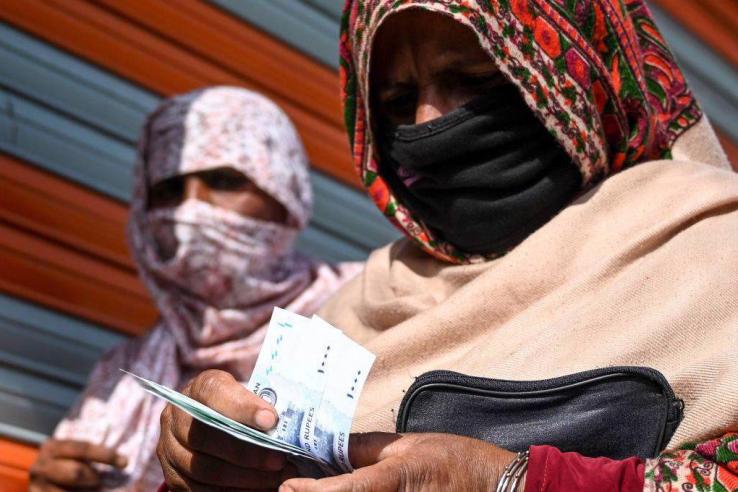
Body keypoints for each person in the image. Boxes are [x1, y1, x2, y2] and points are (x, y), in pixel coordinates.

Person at [157, 2, 738, 491]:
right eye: (396, 101)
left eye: (475, 79)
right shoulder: (350, 315)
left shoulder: (713, 245)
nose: (429, 122)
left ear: (579, 74)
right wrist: (202, 462)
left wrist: (510, 480)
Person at [28, 87, 362, 492]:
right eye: (169, 190)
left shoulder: (363, 309)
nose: (190, 210)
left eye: (223, 180)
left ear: (285, 192)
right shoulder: (125, 369)